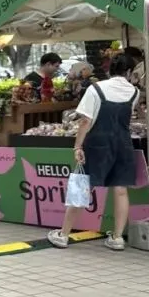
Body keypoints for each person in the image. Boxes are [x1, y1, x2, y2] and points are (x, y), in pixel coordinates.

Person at [49, 53, 139, 251]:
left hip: (97, 143)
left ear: (109, 69)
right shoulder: (134, 92)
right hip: (123, 144)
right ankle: (117, 238)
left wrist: (78, 146)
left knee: (83, 187)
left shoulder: (96, 89)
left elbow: (85, 121)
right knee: (120, 190)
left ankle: (63, 235)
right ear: (129, 71)